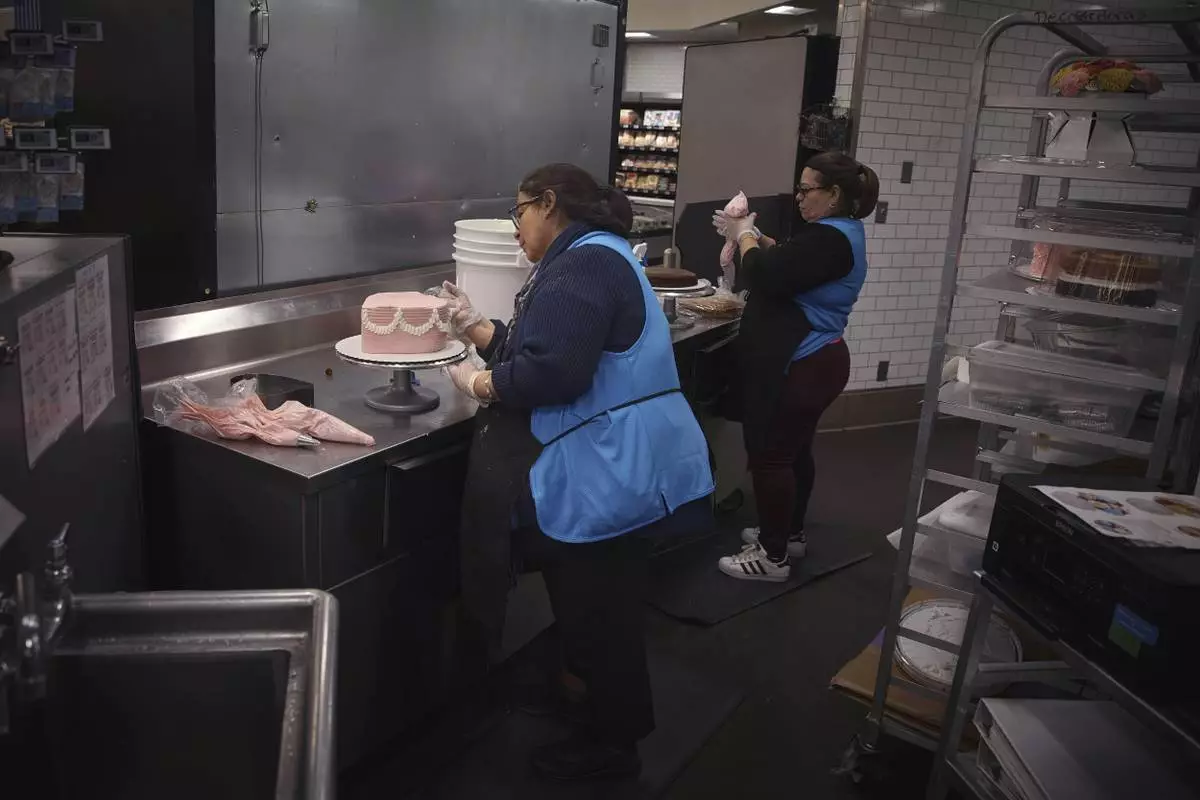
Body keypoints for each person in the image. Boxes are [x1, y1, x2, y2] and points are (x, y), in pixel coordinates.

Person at [441, 163, 714, 781]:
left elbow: (552, 374)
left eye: (518, 213)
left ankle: (612, 746)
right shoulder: (596, 254)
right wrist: (480, 330)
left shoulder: (583, 265)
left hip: (608, 469)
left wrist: (481, 382)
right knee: (594, 605)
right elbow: (551, 347)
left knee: (601, 616)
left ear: (548, 203)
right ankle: (588, 704)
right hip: (613, 463)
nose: (515, 228)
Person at [712, 151, 878, 582]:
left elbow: (765, 275)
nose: (799, 197)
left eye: (806, 190)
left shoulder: (830, 239)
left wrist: (745, 237)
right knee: (793, 452)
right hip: (816, 361)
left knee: (771, 457)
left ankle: (772, 557)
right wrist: (757, 237)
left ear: (834, 194)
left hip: (804, 362)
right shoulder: (836, 234)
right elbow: (791, 261)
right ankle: (788, 533)